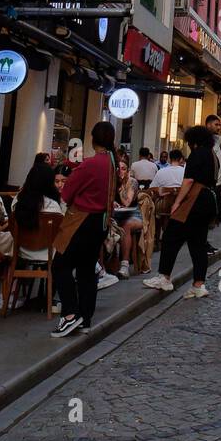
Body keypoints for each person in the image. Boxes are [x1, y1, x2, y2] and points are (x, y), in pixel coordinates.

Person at [50, 122, 115, 340]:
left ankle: (70, 314)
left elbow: (66, 193)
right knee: (87, 270)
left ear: (92, 138)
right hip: (100, 222)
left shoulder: (90, 164)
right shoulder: (112, 162)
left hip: (81, 220)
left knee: (60, 265)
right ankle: (85, 318)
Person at [144, 125, 220, 296]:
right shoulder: (212, 155)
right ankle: (198, 285)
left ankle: (164, 277)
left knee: (171, 236)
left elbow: (188, 181)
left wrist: (177, 202)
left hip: (195, 199)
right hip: (208, 200)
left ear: (193, 141)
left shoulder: (197, 153)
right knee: (198, 243)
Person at [112, 155, 142, 277]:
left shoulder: (132, 182)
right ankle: (103, 265)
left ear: (128, 170)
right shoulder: (112, 181)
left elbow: (127, 202)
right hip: (116, 215)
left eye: (124, 169)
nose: (121, 171)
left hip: (134, 215)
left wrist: (120, 187)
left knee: (126, 225)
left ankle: (124, 265)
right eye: (118, 169)